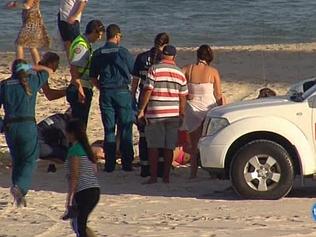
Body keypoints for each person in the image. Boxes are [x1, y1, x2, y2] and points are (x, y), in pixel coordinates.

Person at [0, 53, 66, 207]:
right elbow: (47, 71)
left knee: (17, 160)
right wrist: (30, 66)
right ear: (25, 70)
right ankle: (20, 188)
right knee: (30, 159)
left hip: (10, 127)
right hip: (27, 126)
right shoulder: (32, 80)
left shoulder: (4, 85)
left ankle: (17, 190)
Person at [138, 45, 188, 184]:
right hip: (172, 113)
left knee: (154, 146)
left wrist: (142, 109)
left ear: (162, 55)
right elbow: (183, 96)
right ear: (174, 57)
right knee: (169, 146)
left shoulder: (154, 69)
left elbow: (148, 90)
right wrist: (181, 113)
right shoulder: (179, 72)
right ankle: (166, 177)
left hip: (155, 112)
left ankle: (153, 177)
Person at [90, 24, 135, 172]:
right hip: (122, 91)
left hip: (106, 92)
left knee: (109, 129)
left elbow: (93, 77)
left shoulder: (98, 53)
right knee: (125, 128)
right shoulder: (122, 52)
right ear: (116, 36)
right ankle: (127, 163)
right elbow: (133, 71)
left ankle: (110, 164)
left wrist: (101, 88)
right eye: (120, 36)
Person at [182, 45, 225, 179]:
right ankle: (212, 173)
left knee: (194, 145)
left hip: (192, 109)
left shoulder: (188, 69)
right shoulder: (213, 72)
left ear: (198, 55)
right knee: (210, 142)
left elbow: (177, 78)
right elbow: (218, 95)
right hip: (208, 108)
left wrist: (186, 93)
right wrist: (223, 108)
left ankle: (193, 174)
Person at [132, 32, 170, 177]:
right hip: (158, 101)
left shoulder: (141, 57)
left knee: (143, 135)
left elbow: (135, 81)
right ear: (165, 45)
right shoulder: (164, 60)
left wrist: (133, 98)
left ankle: (145, 167)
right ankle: (159, 167)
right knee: (159, 136)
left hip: (143, 99)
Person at [63, 119, 100, 237]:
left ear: (72, 133)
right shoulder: (86, 149)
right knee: (78, 223)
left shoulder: (75, 150)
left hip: (84, 191)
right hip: (94, 190)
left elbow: (75, 175)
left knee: (79, 225)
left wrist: (70, 197)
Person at [66, 20, 105, 126]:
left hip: (82, 86)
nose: (99, 38)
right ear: (93, 31)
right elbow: (74, 69)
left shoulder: (84, 43)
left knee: (78, 122)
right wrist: (80, 90)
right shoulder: (82, 46)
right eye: (99, 35)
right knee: (80, 124)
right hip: (81, 87)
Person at [6, 0, 50, 64]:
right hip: (32, 20)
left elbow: (27, 6)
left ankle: (19, 66)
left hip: (32, 21)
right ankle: (38, 67)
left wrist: (14, 4)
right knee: (32, 46)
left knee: (19, 44)